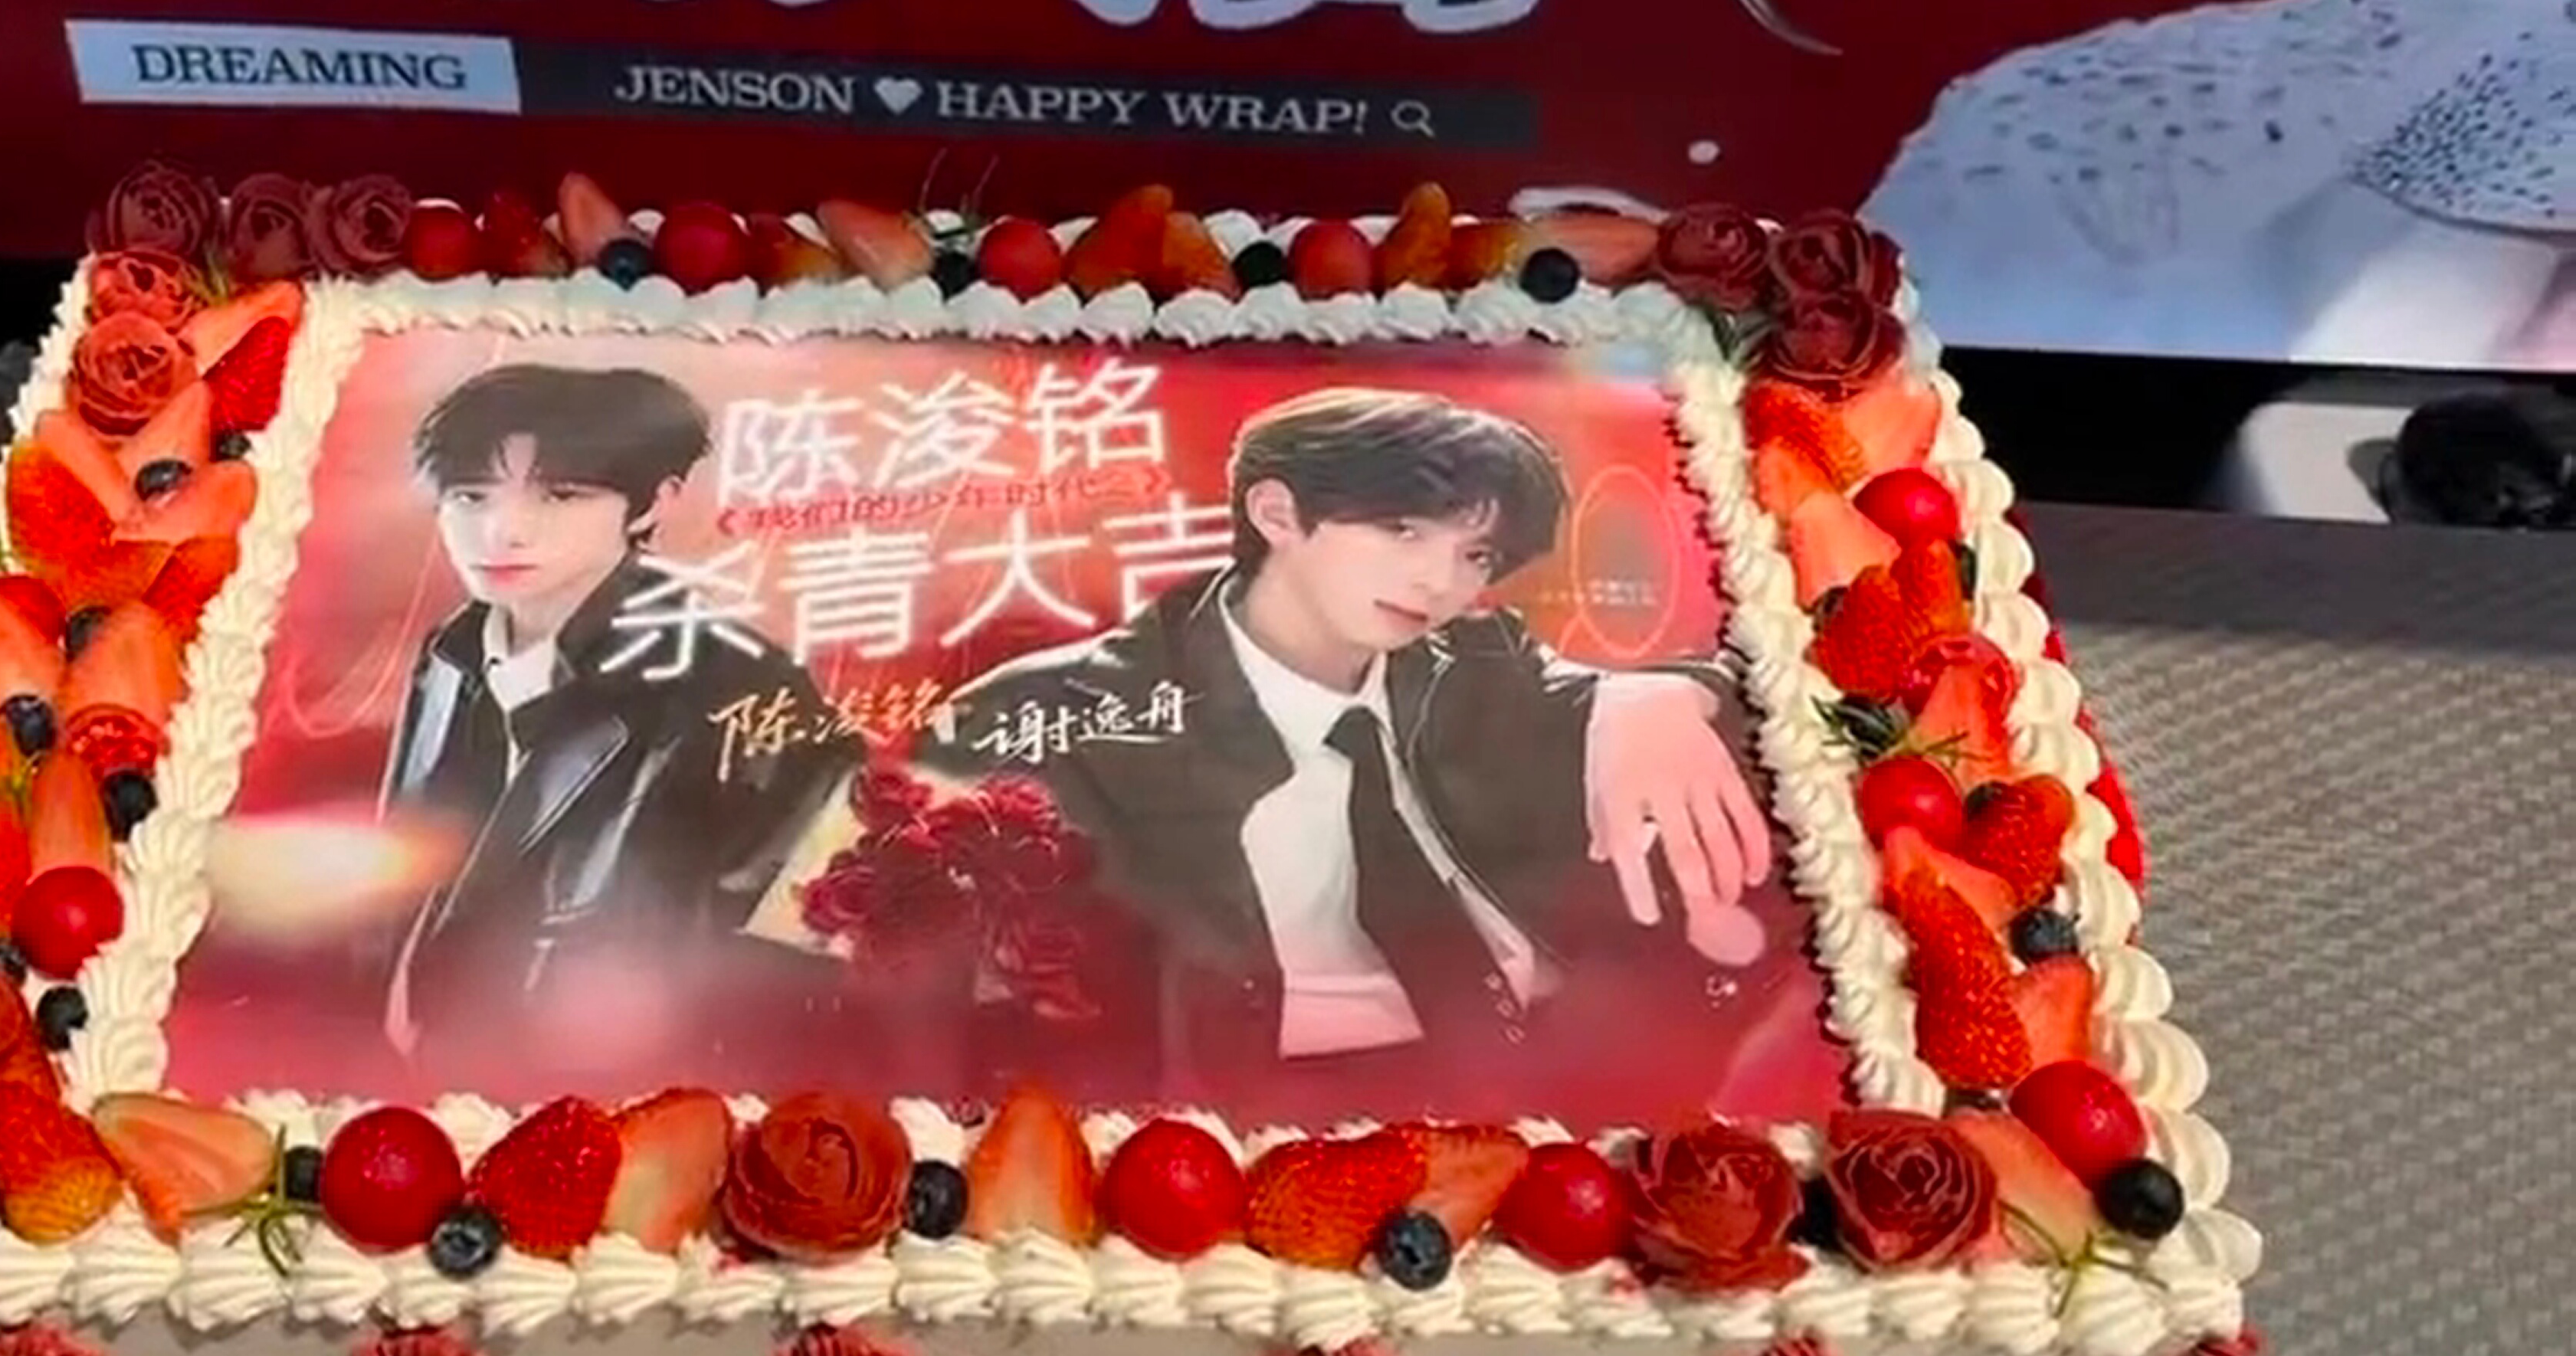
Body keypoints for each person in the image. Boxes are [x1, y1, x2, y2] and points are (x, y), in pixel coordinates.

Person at [916, 385, 1775, 1115]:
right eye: (1402, 530)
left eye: (1474, 553)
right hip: (1246, 1134)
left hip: (1565, 1093)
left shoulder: (1473, 662)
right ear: (1277, 513)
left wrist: (1665, 694)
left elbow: (1766, 697)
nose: (1440, 582)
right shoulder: (1045, 715)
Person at [377, 362, 849, 1083]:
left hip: (608, 1096)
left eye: (561, 495)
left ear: (652, 503)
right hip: (420, 1085)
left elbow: (801, 958)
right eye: (471, 496)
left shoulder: (742, 684)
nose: (502, 530)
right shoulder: (452, 652)